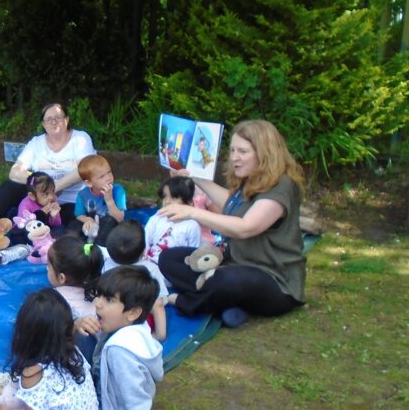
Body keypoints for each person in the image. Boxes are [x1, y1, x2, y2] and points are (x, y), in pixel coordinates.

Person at [158, 119, 306, 328]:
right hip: (234, 263)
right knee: (169, 259)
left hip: (275, 281)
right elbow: (232, 204)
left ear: (264, 153)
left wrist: (192, 212)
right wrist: (196, 178)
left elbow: (246, 227)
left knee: (225, 281)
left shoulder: (282, 185)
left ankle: (187, 302)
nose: (234, 158)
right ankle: (227, 303)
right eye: (233, 150)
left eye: (243, 151)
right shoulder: (251, 177)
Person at [0, 102, 96, 225]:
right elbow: (14, 172)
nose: (54, 122)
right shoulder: (36, 143)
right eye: (49, 119)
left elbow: (84, 169)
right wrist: (39, 184)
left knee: (70, 231)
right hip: (38, 201)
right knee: (10, 186)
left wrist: (53, 188)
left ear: (67, 119)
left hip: (71, 202)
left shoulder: (80, 138)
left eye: (58, 117)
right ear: (43, 124)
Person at [92, 267, 164, 410]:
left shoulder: (120, 352)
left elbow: (135, 401)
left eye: (108, 300)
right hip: (114, 404)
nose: (97, 303)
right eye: (98, 295)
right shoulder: (138, 329)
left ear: (132, 313)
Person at [98, 221, 167, 341]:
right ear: (143, 251)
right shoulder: (150, 269)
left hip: (111, 319)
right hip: (138, 321)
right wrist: (160, 334)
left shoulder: (106, 265)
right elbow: (158, 305)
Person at [143, 177, 202, 291]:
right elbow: (145, 242)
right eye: (165, 196)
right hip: (150, 263)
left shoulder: (191, 225)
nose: (167, 201)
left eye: (174, 197)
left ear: (189, 203)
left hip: (171, 269)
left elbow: (193, 253)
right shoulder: (157, 218)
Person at [70, 154, 126, 245]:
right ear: (89, 183)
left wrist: (109, 200)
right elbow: (79, 215)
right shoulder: (82, 195)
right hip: (92, 226)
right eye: (102, 176)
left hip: (112, 227)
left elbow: (119, 219)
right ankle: (70, 245)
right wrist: (87, 220)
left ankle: (98, 248)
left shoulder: (118, 190)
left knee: (109, 220)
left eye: (109, 172)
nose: (108, 178)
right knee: (74, 224)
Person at [46, 236, 104, 320]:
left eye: (48, 266)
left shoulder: (53, 301)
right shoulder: (96, 289)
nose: (46, 268)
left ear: (61, 278)